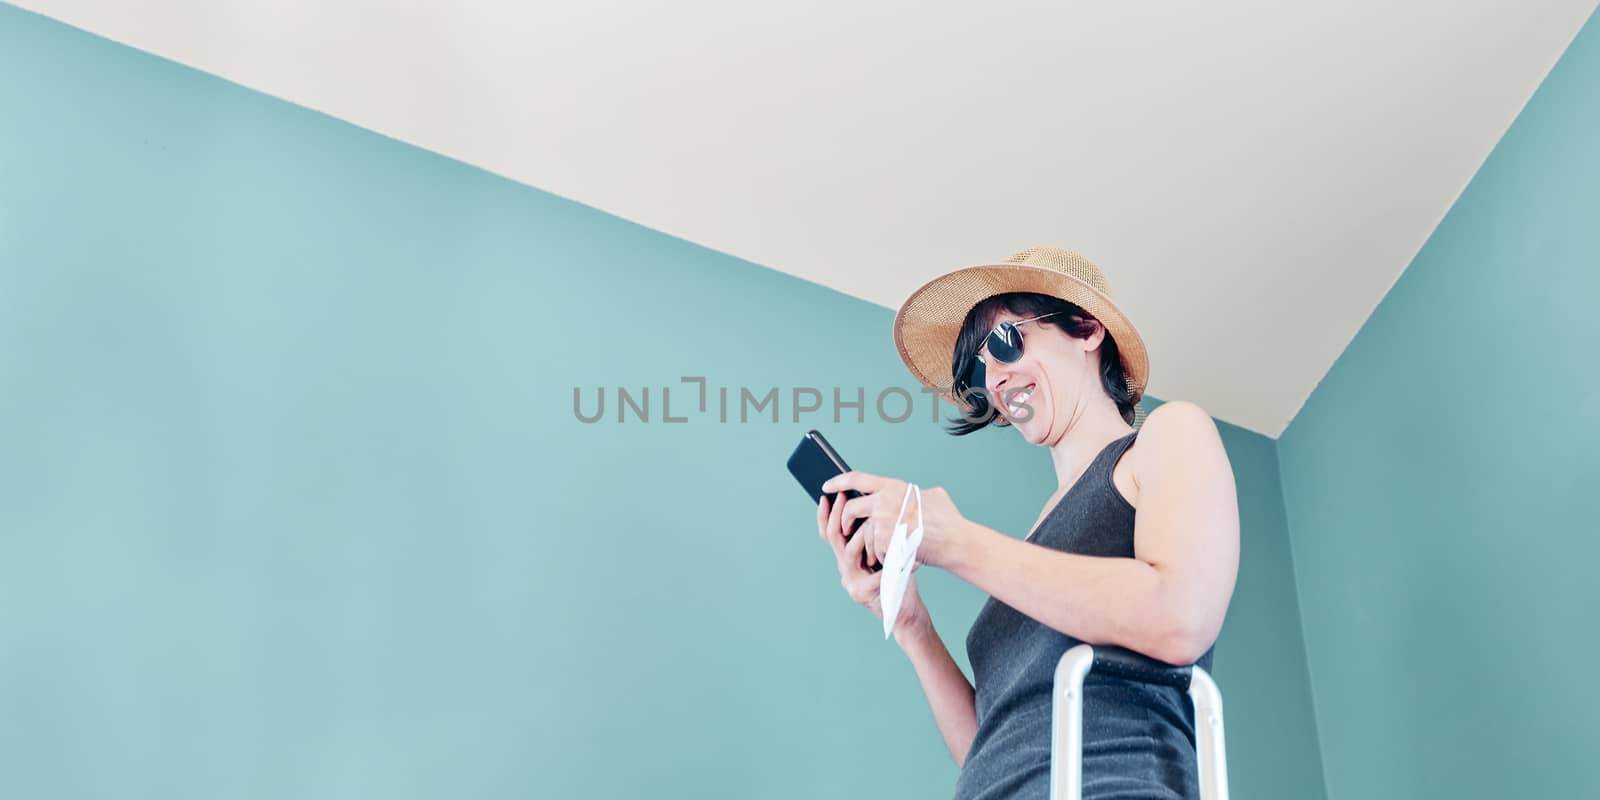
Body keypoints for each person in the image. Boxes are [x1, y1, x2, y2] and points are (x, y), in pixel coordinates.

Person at [814, 247, 1240, 799]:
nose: (993, 378)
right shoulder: (1033, 543)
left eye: (1004, 342)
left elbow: (1179, 616)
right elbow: (991, 748)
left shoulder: (1168, 435)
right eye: (979, 366)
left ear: (1086, 328)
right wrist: (910, 624)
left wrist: (956, 540)